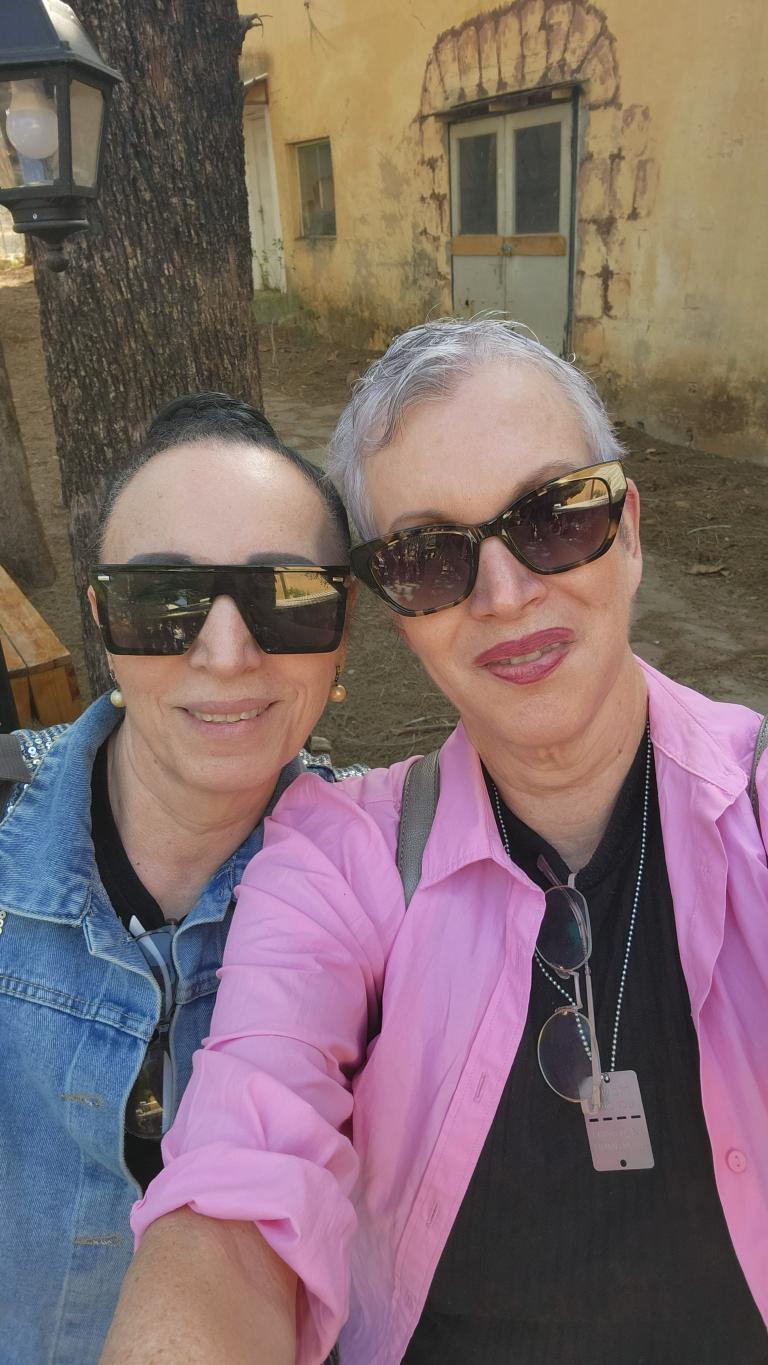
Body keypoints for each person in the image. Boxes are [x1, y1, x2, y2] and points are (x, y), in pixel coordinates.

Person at [104, 321, 768, 1365]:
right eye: (429, 557)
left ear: (630, 529)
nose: (506, 593)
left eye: (556, 515)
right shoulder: (340, 856)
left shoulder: (756, 805)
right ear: (396, 615)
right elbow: (236, 1179)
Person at [0, 391, 364, 1365]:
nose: (226, 653)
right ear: (100, 622)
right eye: (161, 600)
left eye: (286, 596)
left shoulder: (386, 883)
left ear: (343, 629)